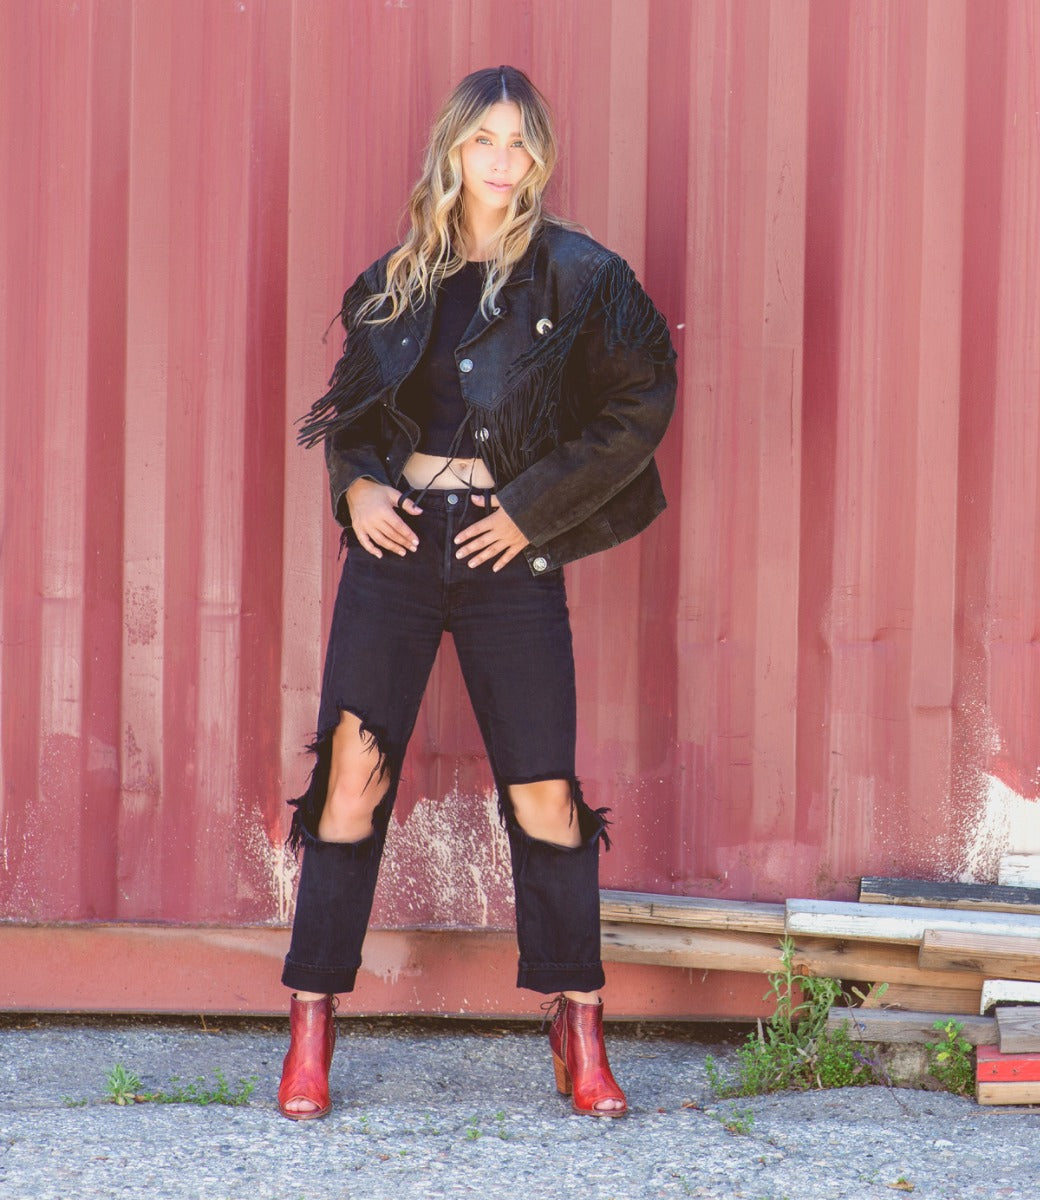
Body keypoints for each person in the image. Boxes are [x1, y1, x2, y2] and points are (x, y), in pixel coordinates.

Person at [277, 65, 676, 1122]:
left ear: (539, 157)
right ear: (451, 149)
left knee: (545, 793)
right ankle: (310, 1021)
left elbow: (641, 401)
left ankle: (578, 1022)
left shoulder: (581, 276)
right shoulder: (396, 278)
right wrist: (356, 486)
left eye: (520, 142)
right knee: (349, 783)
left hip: (508, 558)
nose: (503, 161)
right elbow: (356, 419)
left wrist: (532, 509)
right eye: (483, 140)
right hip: (398, 552)